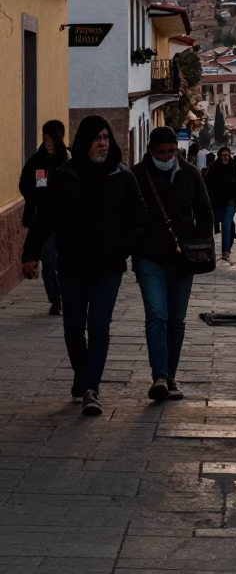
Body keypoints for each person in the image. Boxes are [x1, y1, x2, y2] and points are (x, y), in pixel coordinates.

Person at [21, 115, 147, 417]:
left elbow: (140, 217)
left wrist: (123, 245)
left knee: (100, 326)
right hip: (73, 266)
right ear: (83, 142)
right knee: (73, 329)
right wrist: (30, 254)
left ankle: (91, 387)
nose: (102, 143)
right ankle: (82, 375)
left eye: (105, 137)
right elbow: (45, 216)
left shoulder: (123, 176)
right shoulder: (65, 176)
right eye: (96, 138)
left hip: (108, 267)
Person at [132, 126, 215, 402]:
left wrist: (200, 244)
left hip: (183, 261)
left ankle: (170, 376)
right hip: (149, 257)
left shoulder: (189, 174)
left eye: (171, 152)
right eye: (161, 153)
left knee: (176, 320)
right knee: (157, 314)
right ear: (150, 152)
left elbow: (205, 213)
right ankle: (158, 376)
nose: (167, 157)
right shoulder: (137, 175)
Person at [19, 120, 68, 316]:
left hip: (65, 220)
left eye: (51, 139)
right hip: (43, 218)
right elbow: (24, 184)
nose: (48, 143)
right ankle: (55, 298)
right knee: (48, 258)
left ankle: (67, 295)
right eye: (45, 138)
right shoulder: (36, 161)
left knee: (63, 260)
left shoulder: (67, 161)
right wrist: (37, 197)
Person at [204, 145, 236, 262]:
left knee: (228, 225)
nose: (226, 157)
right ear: (219, 156)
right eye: (224, 155)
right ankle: (212, 249)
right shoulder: (214, 168)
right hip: (216, 203)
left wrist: (235, 199)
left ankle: (226, 251)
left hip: (230, 202)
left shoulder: (233, 167)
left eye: (227, 155)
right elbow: (207, 184)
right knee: (217, 225)